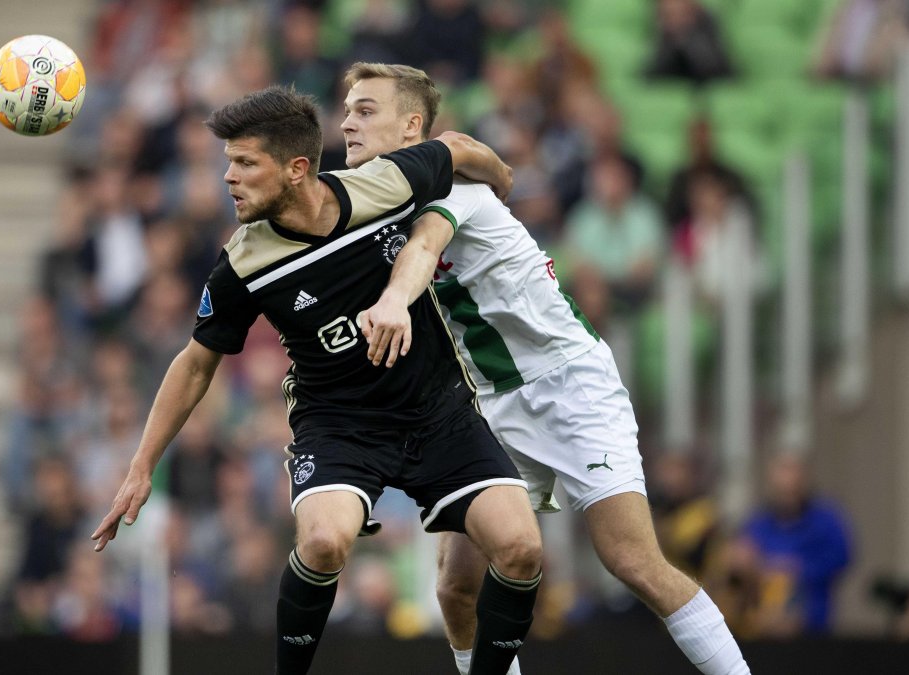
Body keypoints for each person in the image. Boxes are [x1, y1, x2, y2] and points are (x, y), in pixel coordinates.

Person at [90, 85, 543, 675]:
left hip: (440, 412)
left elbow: (453, 148)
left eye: (245, 163)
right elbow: (196, 361)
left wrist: (502, 175)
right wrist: (142, 464)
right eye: (229, 162)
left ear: (297, 168)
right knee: (325, 543)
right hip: (338, 428)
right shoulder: (244, 262)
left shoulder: (384, 186)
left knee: (522, 549)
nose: (228, 177)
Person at [351, 62, 751, 675]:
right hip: (490, 404)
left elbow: (426, 244)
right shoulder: (375, 203)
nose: (348, 122)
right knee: (456, 587)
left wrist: (390, 302)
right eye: (347, 109)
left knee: (632, 561)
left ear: (411, 128)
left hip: (569, 383)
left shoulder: (450, 188)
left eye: (365, 110)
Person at [742, 453, 852, 634]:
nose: (788, 483)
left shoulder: (826, 519)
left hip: (812, 624)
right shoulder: (757, 522)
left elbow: (842, 556)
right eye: (783, 473)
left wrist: (799, 568)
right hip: (761, 625)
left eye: (794, 473)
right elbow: (742, 558)